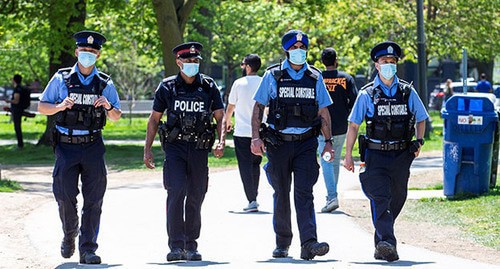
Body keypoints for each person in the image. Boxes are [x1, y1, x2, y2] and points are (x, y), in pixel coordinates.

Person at [38, 30, 122, 264]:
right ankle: (69, 234)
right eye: (84, 51)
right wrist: (59, 106)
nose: (88, 55)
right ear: (77, 52)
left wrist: (107, 106)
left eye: (93, 52)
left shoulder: (104, 82)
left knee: (94, 200)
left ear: (98, 55)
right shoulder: (61, 79)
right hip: (66, 146)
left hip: (93, 145)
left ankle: (88, 249)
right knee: (65, 197)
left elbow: (117, 115)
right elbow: (42, 107)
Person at [250, 29, 334, 260]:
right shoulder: (273, 76)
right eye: (295, 48)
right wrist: (256, 138)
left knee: (304, 192)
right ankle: (282, 242)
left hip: (306, 142)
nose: (299, 52)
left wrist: (328, 143)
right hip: (278, 143)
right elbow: (259, 107)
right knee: (281, 192)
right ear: (287, 50)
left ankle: (309, 243)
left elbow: (323, 111)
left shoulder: (315, 77)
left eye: (303, 48)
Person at [343, 41, 429, 262]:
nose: (389, 64)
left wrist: (419, 142)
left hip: (402, 154)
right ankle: (389, 243)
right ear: (377, 65)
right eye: (384, 61)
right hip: (375, 154)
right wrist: (348, 154)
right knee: (381, 198)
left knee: (397, 198)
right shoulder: (367, 94)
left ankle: (380, 242)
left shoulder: (407, 91)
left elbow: (421, 118)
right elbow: (353, 125)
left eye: (392, 62)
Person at [143, 42, 226, 262]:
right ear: (179, 62)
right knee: (176, 192)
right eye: (188, 60)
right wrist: (147, 149)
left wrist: (221, 141)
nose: (192, 64)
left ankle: (191, 245)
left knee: (196, 195)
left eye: (195, 60)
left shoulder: (208, 86)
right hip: (175, 148)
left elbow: (220, 116)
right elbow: (154, 119)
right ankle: (176, 245)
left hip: (199, 149)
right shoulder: (167, 87)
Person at [317, 48, 358, 213]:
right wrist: (346, 113)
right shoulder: (346, 78)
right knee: (333, 160)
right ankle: (332, 195)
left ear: (323, 62)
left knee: (326, 160)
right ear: (336, 61)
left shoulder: (317, 78)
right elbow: (354, 100)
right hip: (341, 126)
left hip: (321, 125)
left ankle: (332, 196)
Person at [225, 54, 263, 212]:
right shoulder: (264, 82)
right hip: (260, 132)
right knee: (255, 164)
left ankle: (252, 199)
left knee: (245, 166)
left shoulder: (239, 83)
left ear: (248, 66)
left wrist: (227, 120)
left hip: (242, 132)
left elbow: (231, 106)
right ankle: (254, 196)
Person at [6, 74, 27, 148]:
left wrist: (9, 101)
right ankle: (20, 143)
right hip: (20, 109)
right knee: (18, 126)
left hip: (17, 110)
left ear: (14, 80)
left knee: (17, 127)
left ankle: (20, 144)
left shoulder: (17, 89)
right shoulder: (22, 88)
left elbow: (16, 100)